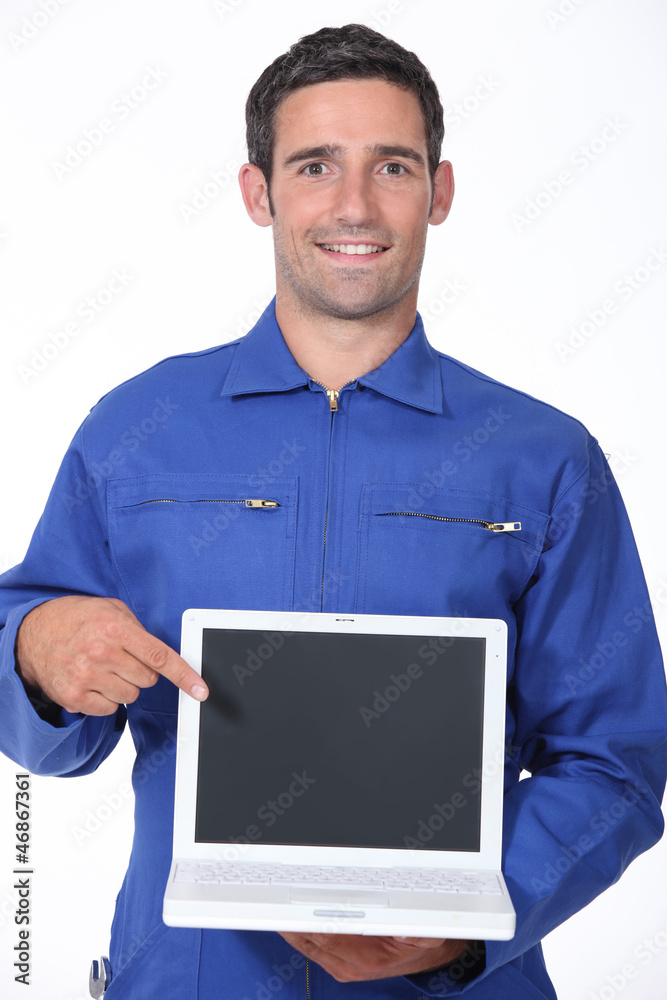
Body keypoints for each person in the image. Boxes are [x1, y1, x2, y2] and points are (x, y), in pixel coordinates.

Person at [0, 22, 665, 999]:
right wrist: (35, 657)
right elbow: (37, 710)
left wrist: (459, 932)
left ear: (438, 193)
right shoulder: (134, 429)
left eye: (391, 166)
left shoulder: (545, 459)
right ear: (257, 192)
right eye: (314, 165)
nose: (354, 204)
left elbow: (614, 762)